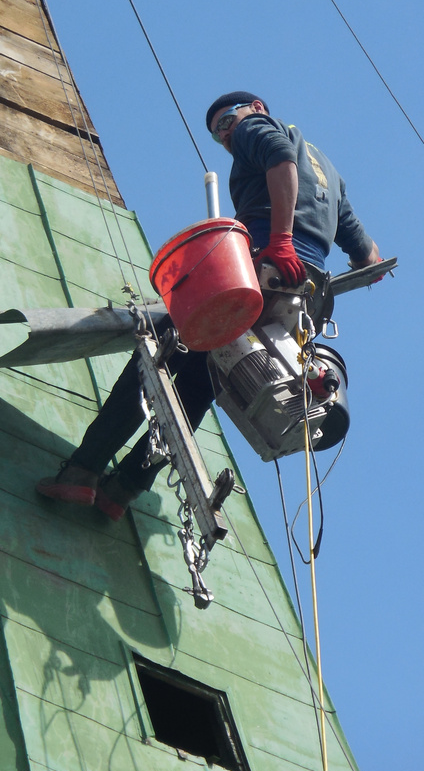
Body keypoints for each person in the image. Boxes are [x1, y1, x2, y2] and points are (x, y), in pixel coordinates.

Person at [37, 90, 380, 518]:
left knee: (156, 355)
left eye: (227, 121)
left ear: (256, 109)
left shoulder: (261, 129)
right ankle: (121, 491)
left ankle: (81, 473)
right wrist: (361, 260)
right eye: (218, 133)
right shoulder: (325, 167)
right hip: (301, 295)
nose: (225, 136)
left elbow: (281, 163)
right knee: (201, 382)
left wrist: (281, 241)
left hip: (262, 270)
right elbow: (366, 253)